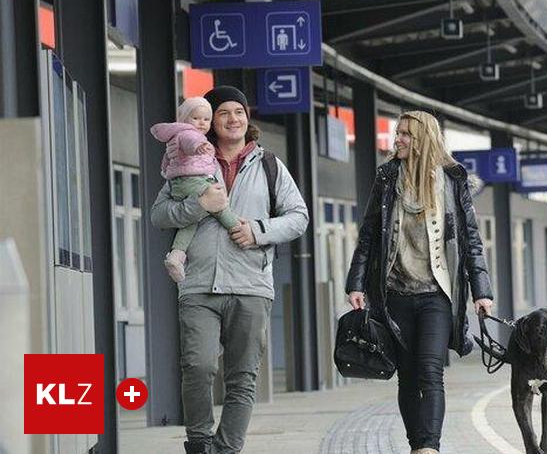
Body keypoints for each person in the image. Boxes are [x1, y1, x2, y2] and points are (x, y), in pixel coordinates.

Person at [151, 86, 309, 454]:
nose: (232, 119)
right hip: (199, 284)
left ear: (247, 119)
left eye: (239, 111)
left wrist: (258, 231)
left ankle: (226, 449)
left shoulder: (269, 165)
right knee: (198, 365)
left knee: (242, 377)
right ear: (209, 121)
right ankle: (200, 441)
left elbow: (298, 216)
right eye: (223, 112)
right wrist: (198, 206)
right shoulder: (187, 161)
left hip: (251, 284)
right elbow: (159, 214)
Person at [345, 111, 494, 454]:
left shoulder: (452, 180)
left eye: (405, 134)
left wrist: (482, 292)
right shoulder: (387, 177)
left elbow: (471, 240)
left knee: (430, 371)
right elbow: (368, 235)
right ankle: (417, 445)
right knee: (408, 376)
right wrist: (356, 284)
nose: (397, 139)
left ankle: (430, 447)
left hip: (436, 295)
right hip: (395, 293)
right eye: (397, 133)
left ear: (423, 138)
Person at [150, 96, 243, 283]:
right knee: (218, 205)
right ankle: (238, 228)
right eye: (196, 118)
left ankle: (176, 255)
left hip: (180, 182)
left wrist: (167, 172)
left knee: (191, 220)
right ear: (185, 119)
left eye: (206, 119)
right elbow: (190, 143)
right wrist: (199, 147)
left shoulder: (176, 136)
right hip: (193, 181)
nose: (201, 123)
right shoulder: (189, 134)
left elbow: (168, 160)